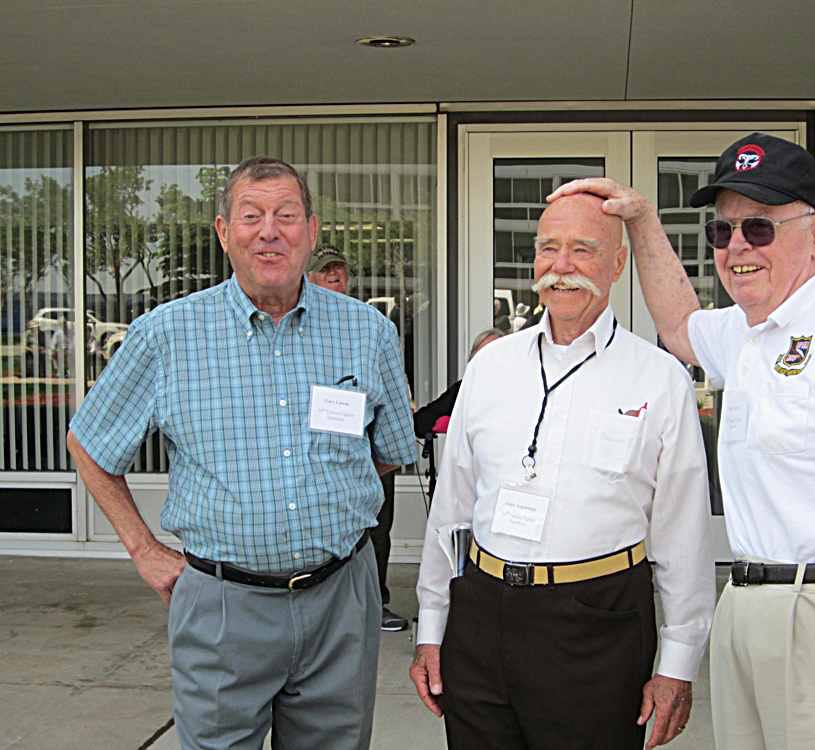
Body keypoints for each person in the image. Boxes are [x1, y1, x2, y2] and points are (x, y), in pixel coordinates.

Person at [549, 133, 815, 750]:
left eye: (760, 227)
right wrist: (643, 220)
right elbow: (678, 326)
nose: (737, 248)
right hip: (758, 607)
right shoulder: (750, 330)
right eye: (722, 232)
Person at [67, 156, 416, 750]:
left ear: (311, 228)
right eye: (251, 216)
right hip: (222, 605)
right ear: (224, 232)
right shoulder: (165, 334)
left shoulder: (369, 332)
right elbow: (90, 444)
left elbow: (386, 451)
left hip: (340, 599)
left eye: (286, 215)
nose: (269, 231)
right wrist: (144, 549)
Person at [409, 192, 715, 749]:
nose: (562, 266)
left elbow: (682, 533)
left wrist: (678, 662)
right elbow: (451, 508)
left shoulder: (658, 378)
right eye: (548, 248)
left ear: (618, 264)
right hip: (481, 614)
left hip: (597, 622)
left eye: (582, 249)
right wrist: (433, 624)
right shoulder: (491, 367)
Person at [307, 245, 410, 632]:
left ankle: (375, 602)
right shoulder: (297, 330)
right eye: (325, 271)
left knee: (377, 532)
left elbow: (392, 402)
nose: (335, 276)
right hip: (319, 461)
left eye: (339, 270)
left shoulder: (369, 329)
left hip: (370, 452)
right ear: (308, 277)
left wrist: (368, 465)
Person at [411, 327, 504, 439]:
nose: (486, 360)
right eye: (480, 356)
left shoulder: (519, 389)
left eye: (493, 354)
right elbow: (420, 422)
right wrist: (454, 424)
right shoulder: (465, 388)